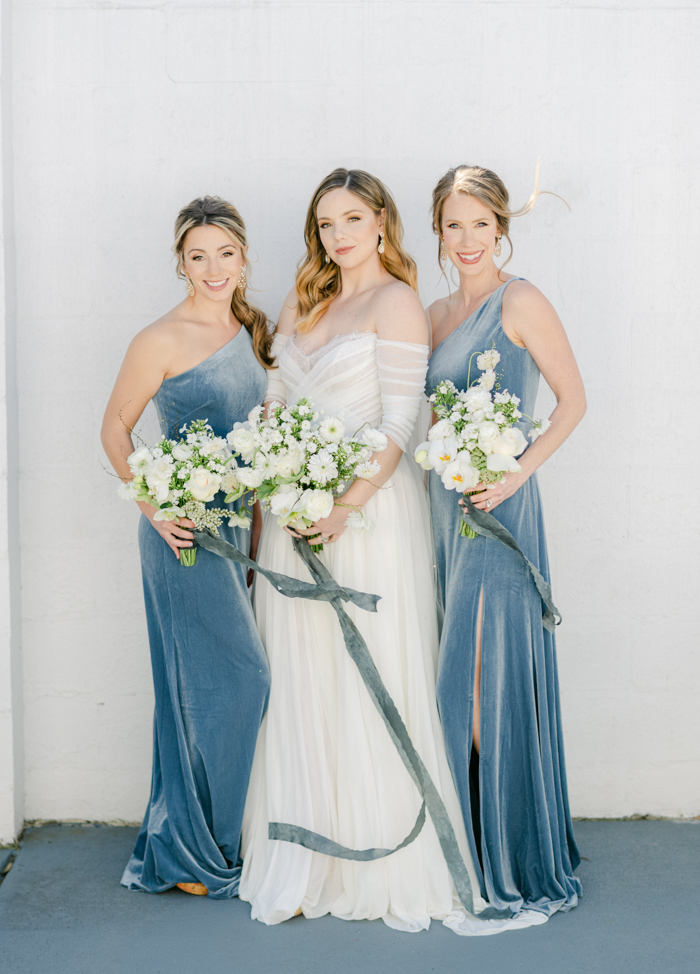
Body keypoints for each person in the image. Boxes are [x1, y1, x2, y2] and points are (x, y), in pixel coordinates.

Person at [238, 168, 543, 935]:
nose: (337, 236)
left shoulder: (400, 302)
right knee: (302, 677)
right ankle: (311, 856)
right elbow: (273, 405)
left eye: (351, 219)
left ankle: (381, 853)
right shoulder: (301, 301)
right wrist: (280, 482)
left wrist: (342, 506)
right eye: (325, 223)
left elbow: (402, 424)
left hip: (367, 520)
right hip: (291, 517)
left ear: (382, 222)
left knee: (364, 672)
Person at [427, 165, 586, 920]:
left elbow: (572, 401)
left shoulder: (520, 300)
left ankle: (512, 853)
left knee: (488, 682)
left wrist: (515, 474)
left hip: (499, 508)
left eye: (479, 225)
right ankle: (477, 836)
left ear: (501, 229)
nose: (467, 240)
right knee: (456, 674)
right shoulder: (431, 313)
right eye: (453, 225)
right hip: (443, 509)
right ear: (437, 230)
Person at [101, 196, 271, 898]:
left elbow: (259, 440)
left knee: (218, 683)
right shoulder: (159, 339)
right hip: (183, 534)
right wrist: (154, 507)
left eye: (224, 254)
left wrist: (260, 536)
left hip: (238, 529)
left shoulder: (253, 329)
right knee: (232, 682)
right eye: (197, 256)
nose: (212, 268)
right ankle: (198, 852)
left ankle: (204, 839)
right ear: (181, 261)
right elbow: (115, 429)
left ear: (242, 257)